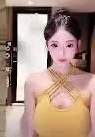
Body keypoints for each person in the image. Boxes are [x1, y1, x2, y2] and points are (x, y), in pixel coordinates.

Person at [21, 8, 94, 137]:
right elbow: (30, 132)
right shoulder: (32, 82)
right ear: (47, 46)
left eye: (69, 45)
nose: (62, 53)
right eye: (55, 45)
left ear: (78, 45)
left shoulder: (92, 82)